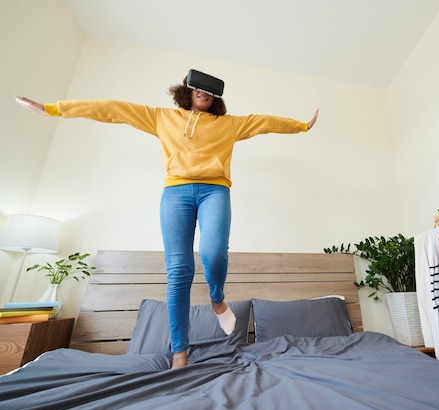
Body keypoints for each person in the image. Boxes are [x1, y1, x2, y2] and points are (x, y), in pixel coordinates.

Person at [16, 70, 319, 369]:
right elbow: (114, 110)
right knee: (178, 271)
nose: (204, 92)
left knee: (213, 253)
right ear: (186, 90)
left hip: (215, 191)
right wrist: (54, 109)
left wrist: (302, 126)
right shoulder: (162, 117)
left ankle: (217, 299)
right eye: (198, 87)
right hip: (175, 193)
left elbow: (265, 122)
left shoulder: (229, 125)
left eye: (211, 90)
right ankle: (180, 353)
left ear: (216, 97)